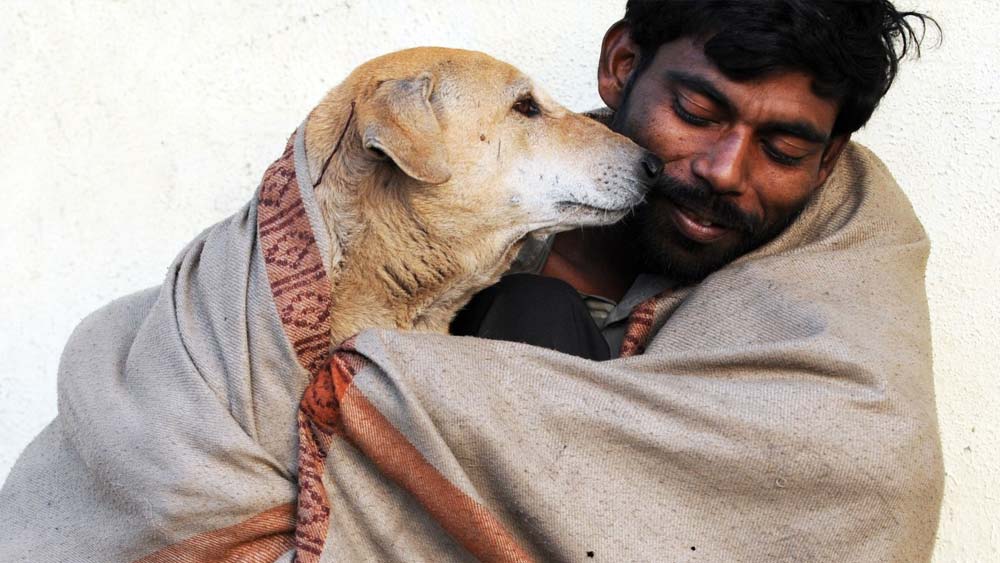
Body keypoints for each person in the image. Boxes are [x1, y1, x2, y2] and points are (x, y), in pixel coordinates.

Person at [454, 0, 940, 361]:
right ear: (621, 67)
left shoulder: (831, 309)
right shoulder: (453, 213)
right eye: (696, 113)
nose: (724, 172)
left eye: (782, 150)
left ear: (828, 159)